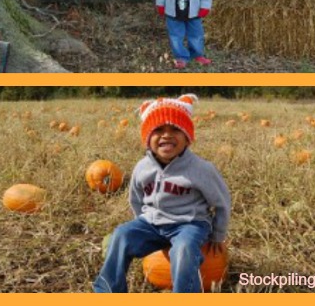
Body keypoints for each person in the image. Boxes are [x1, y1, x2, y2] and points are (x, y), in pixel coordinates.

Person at [93, 94, 231, 293]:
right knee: (121, 235)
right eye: (158, 130)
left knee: (183, 250)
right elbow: (136, 198)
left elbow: (222, 203)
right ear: (148, 139)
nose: (167, 135)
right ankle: (107, 290)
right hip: (152, 223)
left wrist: (218, 235)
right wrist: (141, 222)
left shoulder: (201, 169)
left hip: (190, 224)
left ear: (187, 138)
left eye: (175, 129)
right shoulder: (142, 168)